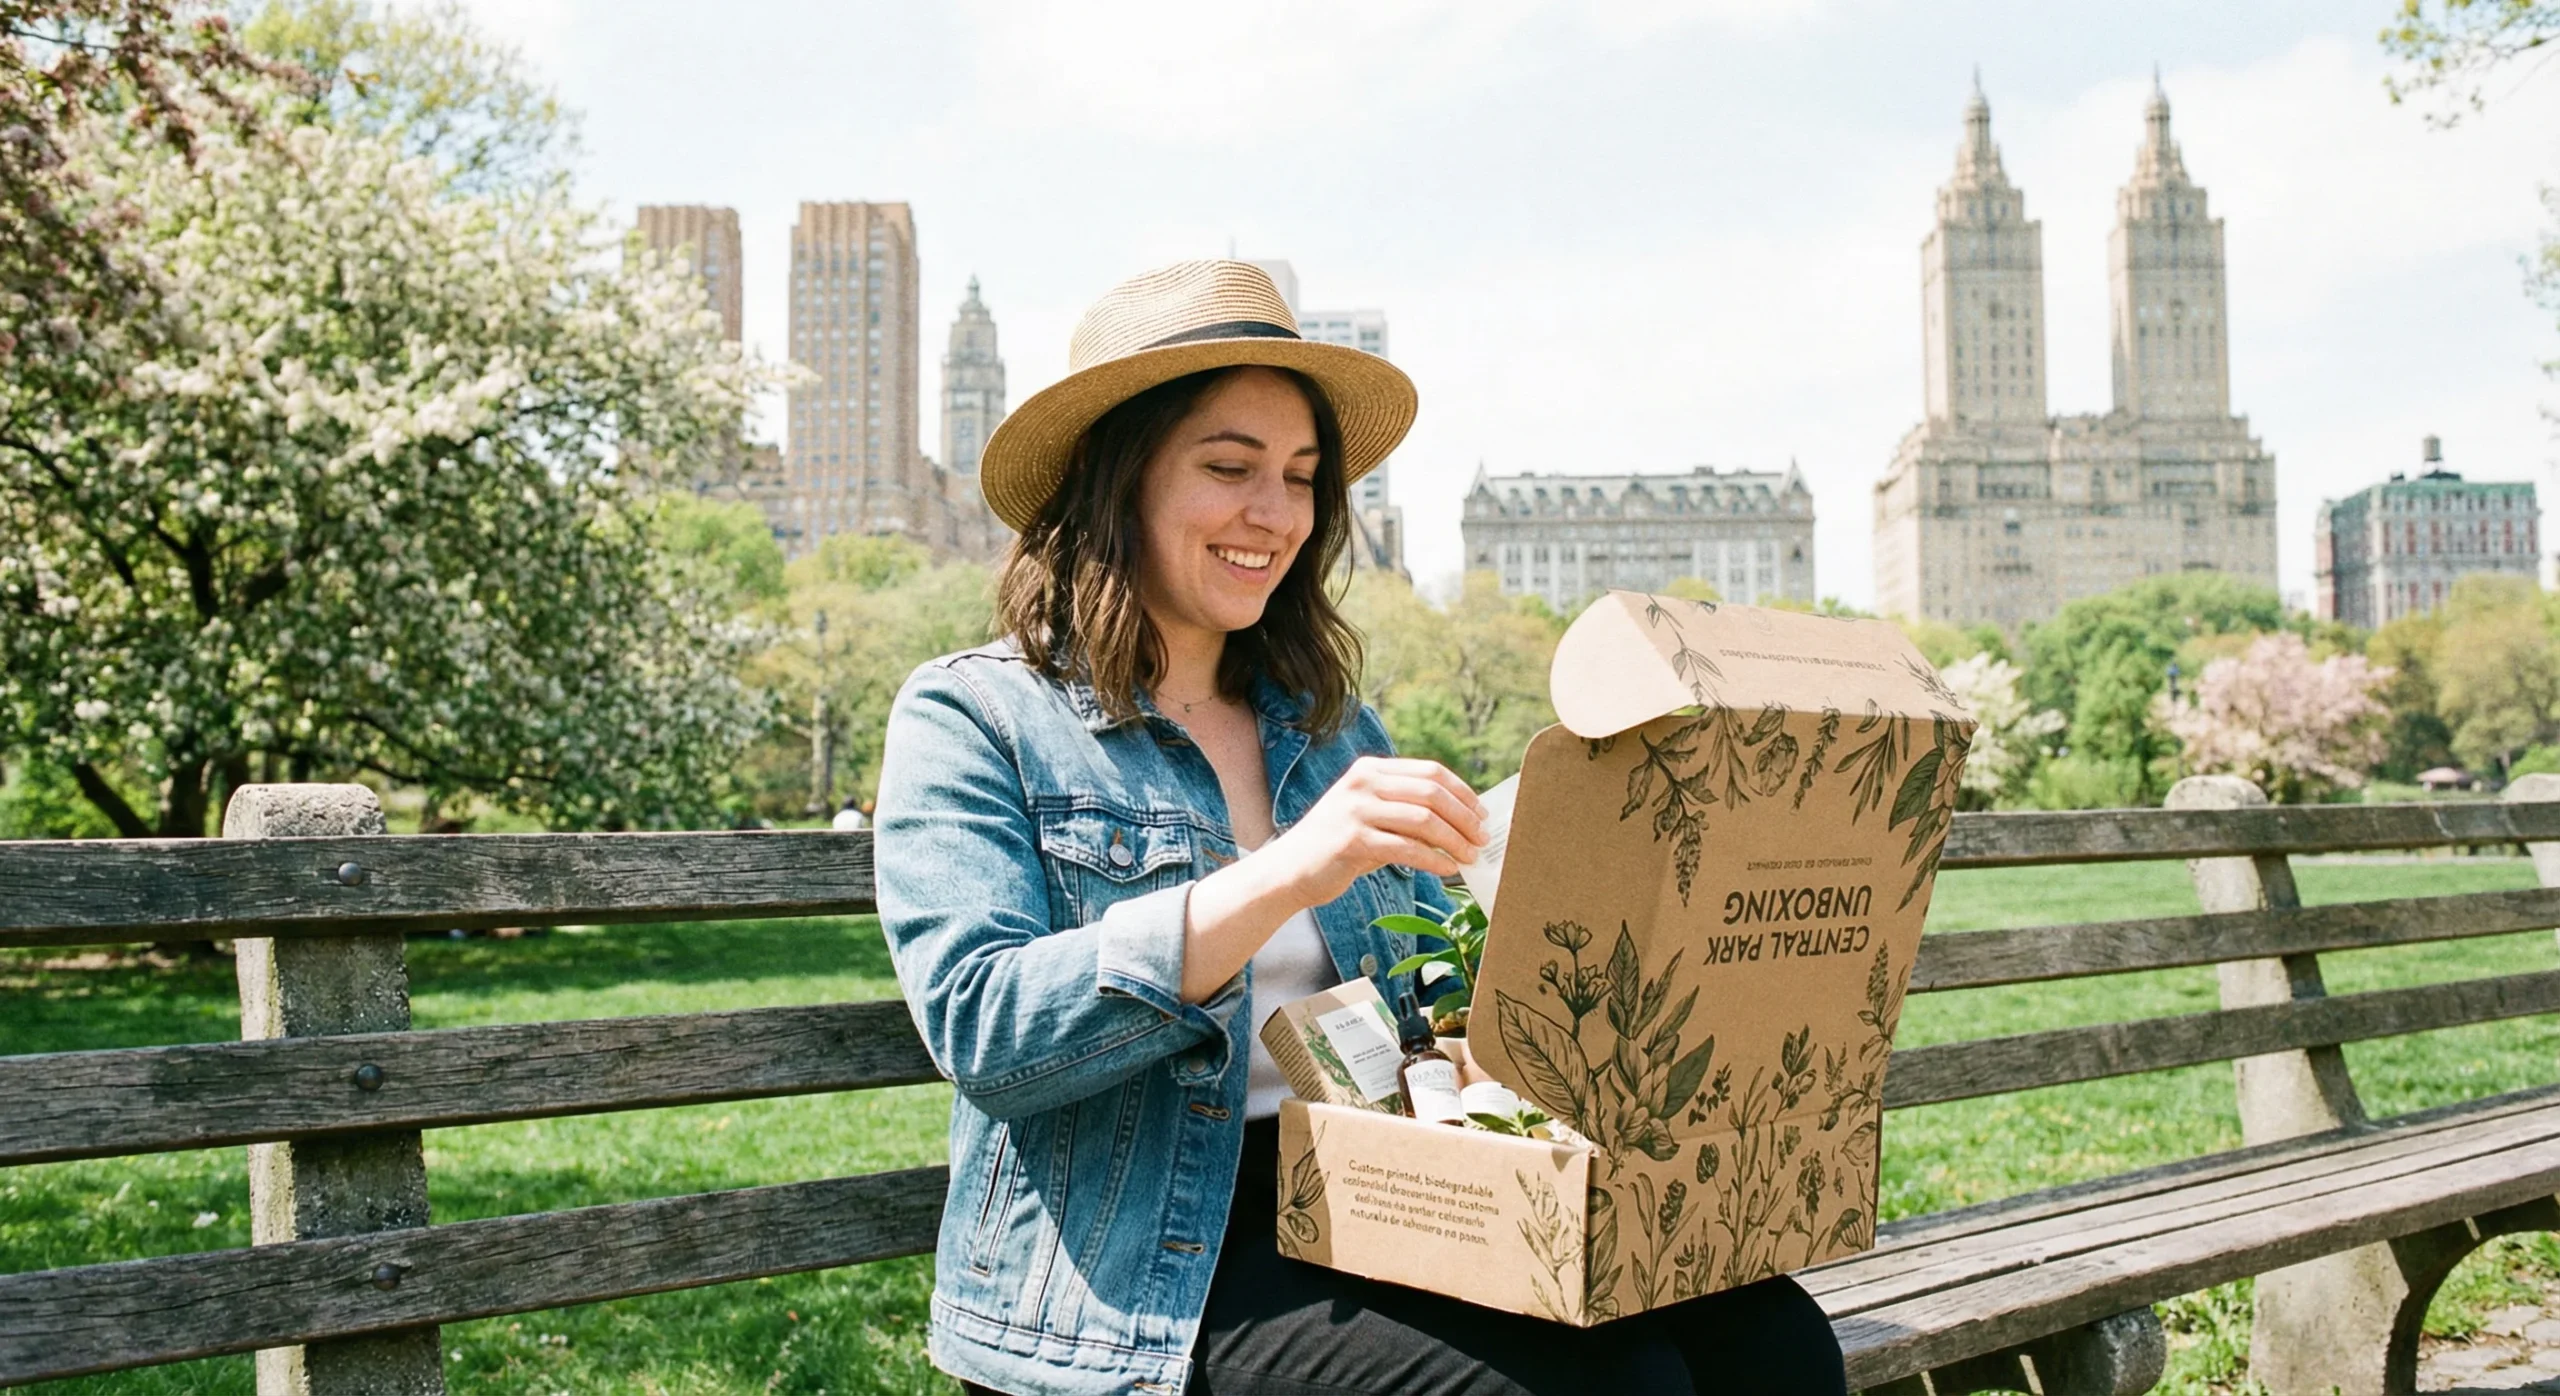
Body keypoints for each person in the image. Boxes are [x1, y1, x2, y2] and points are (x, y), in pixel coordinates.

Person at [875, 261, 1847, 1396]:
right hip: (1141, 1266)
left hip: (1383, 1182)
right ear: (1112, 479)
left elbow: (1432, 1005)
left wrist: (1561, 911)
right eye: (1229, 468)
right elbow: (986, 1033)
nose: (1276, 514)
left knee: (1773, 1344)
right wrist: (1292, 867)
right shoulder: (975, 714)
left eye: (1299, 477)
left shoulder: (1329, 727)